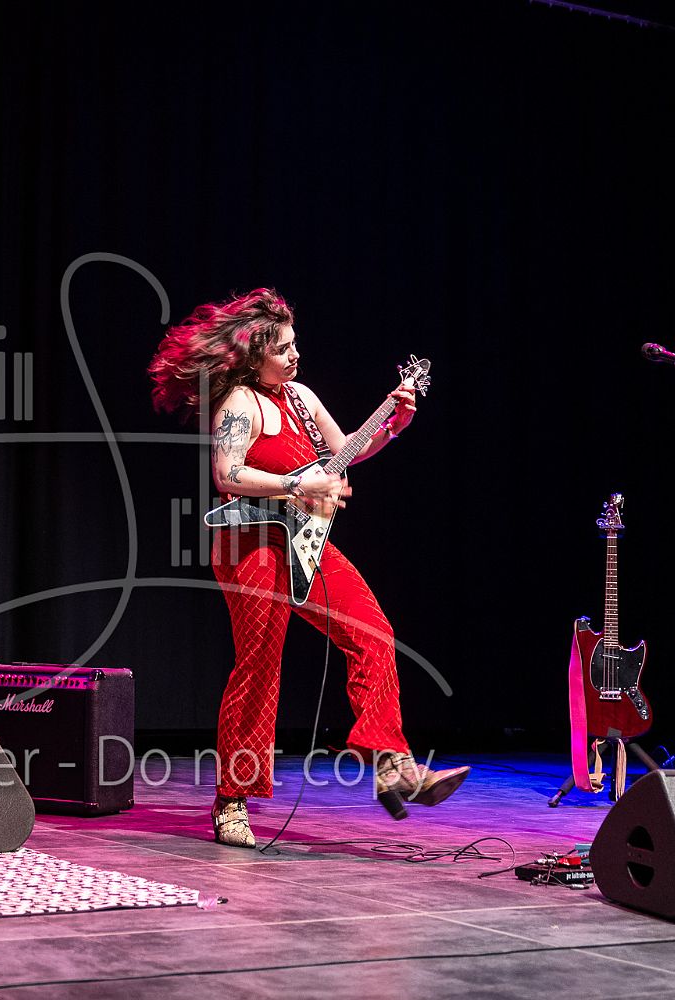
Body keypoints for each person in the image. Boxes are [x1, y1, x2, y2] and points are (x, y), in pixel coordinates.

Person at [149, 289, 467, 847]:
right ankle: (232, 800)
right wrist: (299, 484)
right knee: (260, 663)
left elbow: (345, 452)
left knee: (373, 633)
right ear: (254, 357)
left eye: (295, 344)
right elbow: (227, 474)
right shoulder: (240, 403)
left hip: (303, 541)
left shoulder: (301, 397)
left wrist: (393, 425)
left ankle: (391, 763)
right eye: (282, 349)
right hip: (249, 542)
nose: (294, 355)